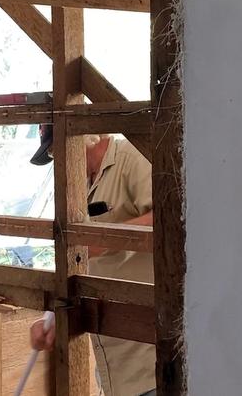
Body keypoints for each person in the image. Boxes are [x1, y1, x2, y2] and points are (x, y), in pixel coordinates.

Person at [29, 131, 156, 396]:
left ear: (87, 136)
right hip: (112, 359)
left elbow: (166, 218)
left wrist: (103, 240)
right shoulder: (77, 186)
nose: (59, 160)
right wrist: (49, 317)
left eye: (59, 149)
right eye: (54, 153)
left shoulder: (131, 157)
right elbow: (73, 258)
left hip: (148, 357)